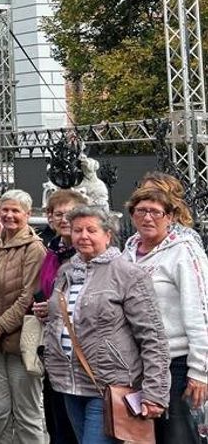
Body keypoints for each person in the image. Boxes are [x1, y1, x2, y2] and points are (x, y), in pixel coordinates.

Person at [43, 206, 169, 443]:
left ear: (107, 235)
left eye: (91, 230)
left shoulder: (128, 274)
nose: (83, 236)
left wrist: (155, 392)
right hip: (69, 384)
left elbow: (152, 336)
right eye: (77, 230)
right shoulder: (66, 272)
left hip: (109, 386)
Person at [121, 185, 208, 443]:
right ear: (132, 215)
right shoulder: (128, 253)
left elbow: (200, 310)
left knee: (178, 437)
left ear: (169, 216)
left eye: (155, 212)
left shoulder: (183, 251)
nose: (148, 218)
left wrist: (200, 371)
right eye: (141, 211)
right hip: (139, 363)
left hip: (177, 363)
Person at [0, 189, 47, 444]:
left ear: (28, 214)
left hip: (19, 342)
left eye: (16, 210)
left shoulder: (34, 248)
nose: (9, 215)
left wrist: (0, 327)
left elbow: (28, 296)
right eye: (5, 210)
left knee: (27, 412)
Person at [32, 189, 89, 444]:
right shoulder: (52, 251)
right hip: (54, 346)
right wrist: (42, 306)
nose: (64, 219)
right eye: (58, 214)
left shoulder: (88, 253)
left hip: (83, 351)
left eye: (70, 213)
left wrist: (55, 307)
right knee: (57, 421)